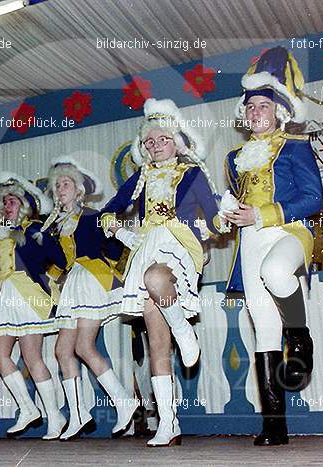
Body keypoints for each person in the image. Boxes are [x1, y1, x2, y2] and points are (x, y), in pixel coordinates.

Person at [100, 98, 221, 447]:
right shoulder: (139, 178)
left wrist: (220, 220)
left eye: (161, 140)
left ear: (176, 140)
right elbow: (108, 213)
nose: (155, 147)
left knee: (156, 277)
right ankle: (168, 423)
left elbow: (212, 215)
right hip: (147, 246)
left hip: (181, 243)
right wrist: (123, 232)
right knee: (156, 345)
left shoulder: (192, 174)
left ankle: (185, 329)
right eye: (148, 143)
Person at [221, 46, 323, 446]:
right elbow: (235, 201)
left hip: (288, 232)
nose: (255, 112)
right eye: (250, 107)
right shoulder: (234, 157)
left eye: (264, 105)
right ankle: (274, 426)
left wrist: (265, 216)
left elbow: (314, 199)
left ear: (279, 109)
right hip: (249, 241)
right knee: (263, 331)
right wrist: (223, 214)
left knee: (276, 273)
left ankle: (300, 335)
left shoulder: (296, 147)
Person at [42, 157, 134, 440]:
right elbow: (57, 263)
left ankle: (123, 401)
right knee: (61, 351)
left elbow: (115, 248)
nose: (60, 189)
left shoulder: (93, 216)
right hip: (72, 287)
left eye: (66, 183)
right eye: (57, 185)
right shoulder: (55, 225)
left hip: (92, 280)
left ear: (79, 190)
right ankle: (79, 414)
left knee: (83, 346)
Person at [0, 172, 67, 440]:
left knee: (32, 358)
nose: (7, 206)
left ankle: (54, 416)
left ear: (24, 204)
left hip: (27, 293)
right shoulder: (1, 233)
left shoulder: (31, 228)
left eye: (12, 202)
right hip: (5, 295)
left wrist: (34, 236)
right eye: (5, 202)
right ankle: (28, 408)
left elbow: (58, 257)